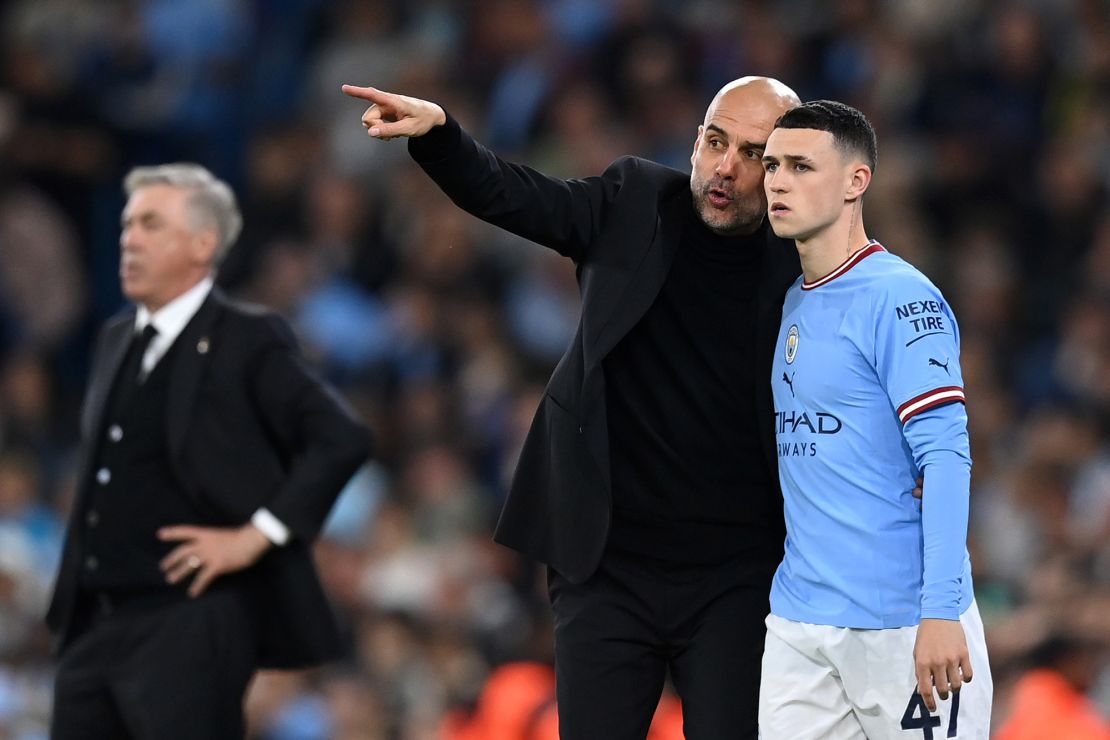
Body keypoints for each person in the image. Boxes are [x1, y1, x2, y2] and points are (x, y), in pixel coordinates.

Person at [341, 76, 802, 739]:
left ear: (788, 171)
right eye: (715, 141)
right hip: (607, 568)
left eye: (754, 153)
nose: (725, 167)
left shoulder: (809, 269)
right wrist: (443, 137)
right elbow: (519, 196)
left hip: (737, 579)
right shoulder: (637, 201)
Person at [45, 163, 373, 739]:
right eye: (126, 224)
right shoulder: (115, 337)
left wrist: (258, 534)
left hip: (189, 621)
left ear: (204, 243)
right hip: (94, 622)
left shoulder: (247, 338)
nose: (130, 238)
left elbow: (342, 437)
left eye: (150, 224)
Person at [757, 100, 993, 739]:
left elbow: (945, 456)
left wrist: (941, 611)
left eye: (802, 166)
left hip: (902, 622)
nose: (777, 180)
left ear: (856, 182)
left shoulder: (900, 297)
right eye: (772, 164)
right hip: (800, 622)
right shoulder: (792, 302)